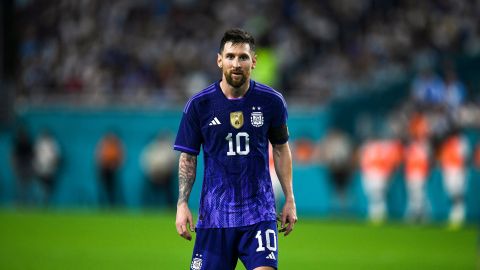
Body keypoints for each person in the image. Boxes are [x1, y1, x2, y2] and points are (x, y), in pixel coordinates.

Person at [173, 28, 297, 270]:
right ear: (219, 60)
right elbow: (188, 157)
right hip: (215, 216)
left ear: (254, 61)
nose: (236, 63)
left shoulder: (271, 101)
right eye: (230, 56)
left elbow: (281, 149)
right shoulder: (199, 105)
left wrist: (290, 199)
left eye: (243, 57)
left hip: (258, 213)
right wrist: (182, 204)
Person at [140, 132, 177, 208]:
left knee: (170, 194)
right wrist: (153, 174)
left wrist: (165, 173)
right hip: (153, 177)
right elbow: (145, 162)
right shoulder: (151, 148)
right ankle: (147, 208)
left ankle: (172, 209)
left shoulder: (169, 148)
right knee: (147, 193)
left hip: (166, 177)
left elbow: (173, 163)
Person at [95, 131, 124, 207]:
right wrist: (102, 165)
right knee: (102, 189)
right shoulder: (103, 144)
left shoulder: (117, 145)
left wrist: (115, 165)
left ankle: (113, 206)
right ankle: (102, 206)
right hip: (103, 169)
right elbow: (98, 156)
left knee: (113, 190)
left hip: (113, 170)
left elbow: (121, 157)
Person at [33, 129, 61, 206]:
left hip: (50, 170)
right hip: (40, 170)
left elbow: (56, 157)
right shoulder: (39, 143)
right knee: (40, 188)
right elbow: (35, 156)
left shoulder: (53, 143)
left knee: (48, 188)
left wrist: (53, 166)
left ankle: (44, 203)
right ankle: (37, 202)